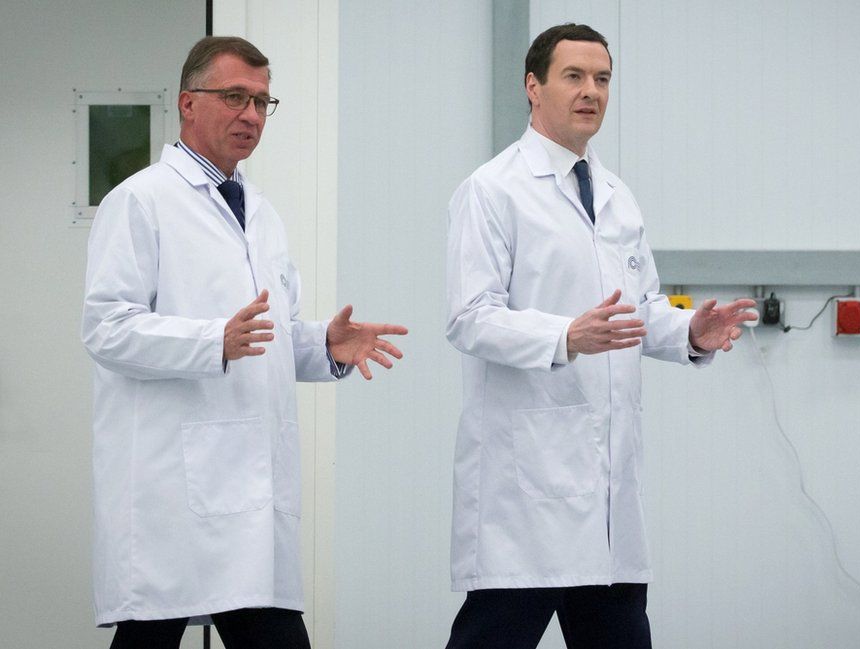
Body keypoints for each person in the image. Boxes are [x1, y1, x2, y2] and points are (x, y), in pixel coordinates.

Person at [81, 36, 407, 649]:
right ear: (187, 103)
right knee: (152, 633)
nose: (252, 116)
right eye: (235, 97)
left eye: (262, 102)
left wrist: (321, 346)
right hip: (170, 491)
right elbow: (106, 328)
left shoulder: (261, 212)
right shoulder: (140, 202)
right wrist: (212, 341)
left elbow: (264, 339)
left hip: (252, 497)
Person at [444, 23, 755, 648]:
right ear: (533, 87)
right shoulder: (492, 190)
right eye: (574, 77)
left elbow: (638, 311)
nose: (592, 92)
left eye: (602, 79)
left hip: (609, 497)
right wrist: (565, 337)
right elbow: (470, 316)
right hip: (526, 492)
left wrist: (690, 330)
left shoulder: (617, 197)